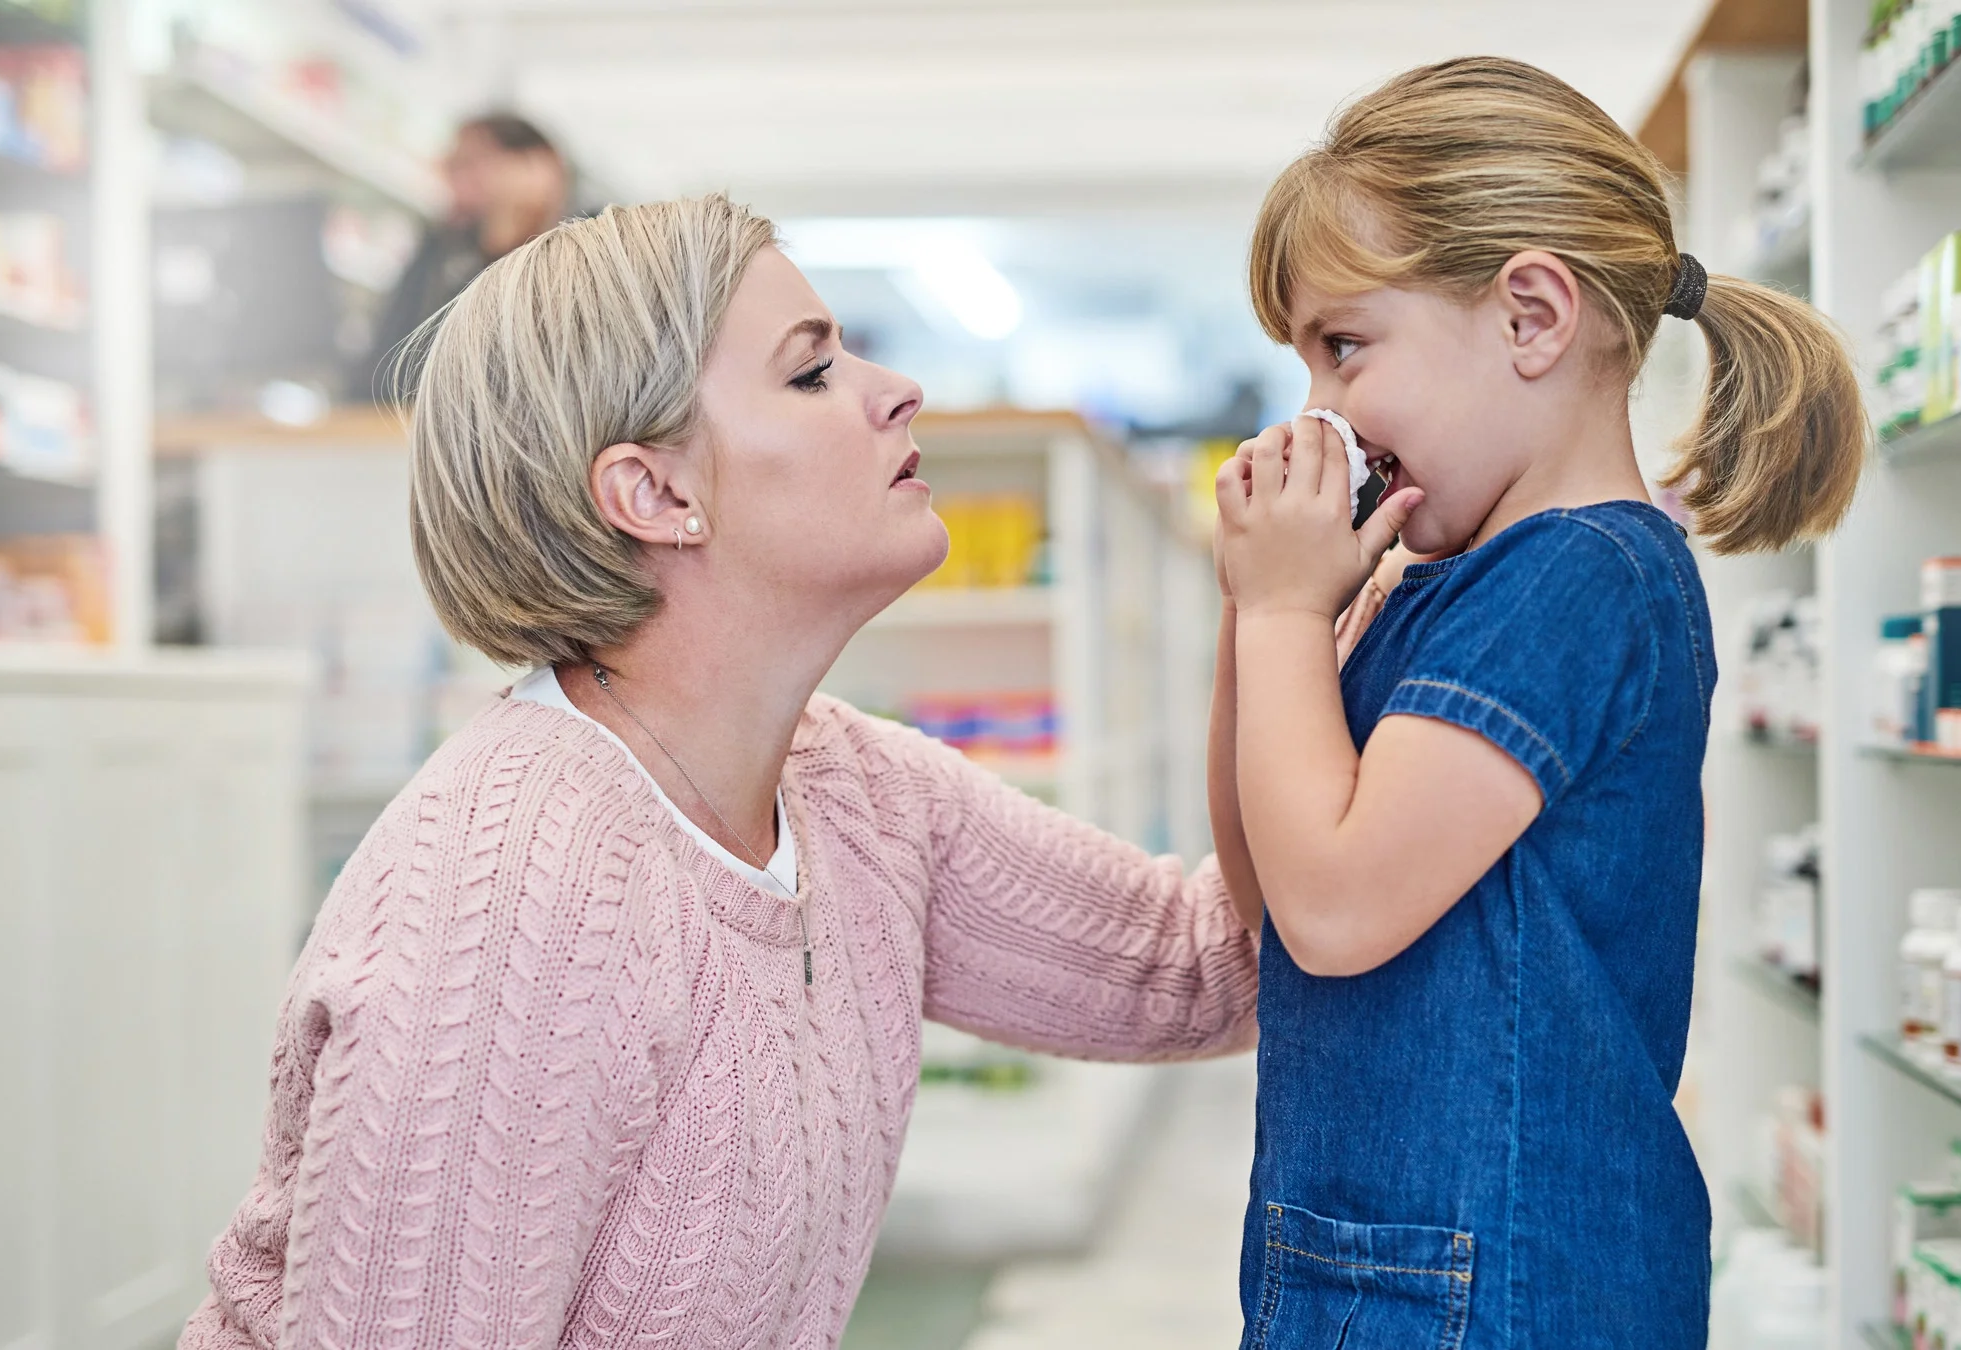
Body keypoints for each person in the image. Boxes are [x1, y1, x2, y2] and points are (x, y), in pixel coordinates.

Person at [179, 195, 1259, 1349]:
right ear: (656, 494)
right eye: (811, 373)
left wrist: (1311, 611)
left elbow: (1194, 967)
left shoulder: (852, 788)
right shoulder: (512, 910)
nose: (896, 389)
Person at [1209, 57, 1865, 1347]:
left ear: (1530, 317)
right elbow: (1273, 902)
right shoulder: (1442, 588)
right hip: (1384, 1266)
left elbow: (1338, 907)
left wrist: (1288, 617)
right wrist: (1258, 623)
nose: (1321, 413)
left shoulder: (1579, 575)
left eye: (1343, 348)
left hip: (1508, 1289)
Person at [360, 113, 574, 398]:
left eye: (468, 165)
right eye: (451, 165)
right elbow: (388, 362)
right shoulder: (440, 250)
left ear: (536, 169)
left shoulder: (572, 259)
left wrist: (505, 239)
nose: (452, 181)